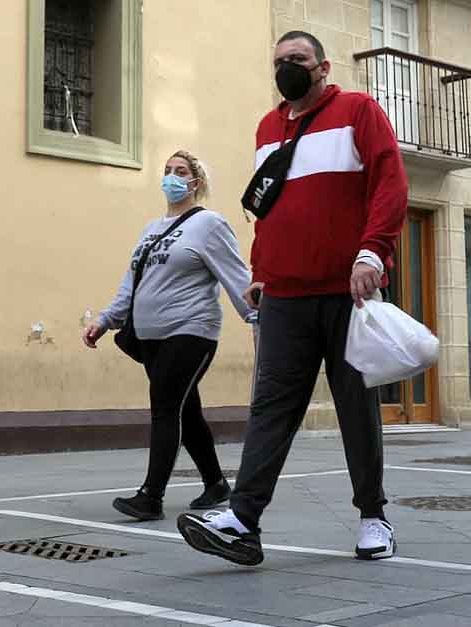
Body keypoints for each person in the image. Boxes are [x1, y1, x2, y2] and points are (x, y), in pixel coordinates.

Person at [177, 31, 408, 565]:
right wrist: (260, 273)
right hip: (284, 297)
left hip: (347, 291)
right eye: (279, 62)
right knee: (270, 409)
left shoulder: (359, 111)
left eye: (297, 60)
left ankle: (373, 516)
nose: (288, 69)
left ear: (323, 66)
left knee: (356, 407)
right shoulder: (267, 127)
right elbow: (269, 208)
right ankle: (243, 519)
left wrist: (373, 253)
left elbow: (389, 185)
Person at [83, 150, 259, 522]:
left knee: (165, 405)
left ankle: (151, 496)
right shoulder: (151, 229)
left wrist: (259, 318)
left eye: (181, 171)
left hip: (191, 331)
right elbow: (132, 281)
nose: (172, 177)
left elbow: (236, 275)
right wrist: (106, 319)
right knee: (186, 410)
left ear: (196, 181)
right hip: (151, 337)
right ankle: (215, 484)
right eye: (167, 171)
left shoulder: (209, 224)